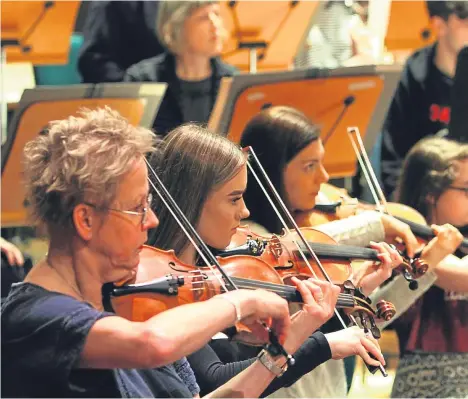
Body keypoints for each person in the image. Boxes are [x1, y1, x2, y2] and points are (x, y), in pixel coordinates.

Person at [1, 107, 350, 398]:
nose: (151, 220)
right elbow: (152, 344)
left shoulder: (122, 309)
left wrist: (287, 343)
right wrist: (243, 301)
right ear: (86, 219)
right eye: (137, 208)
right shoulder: (36, 318)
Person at [148, 123, 391, 397]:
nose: (245, 210)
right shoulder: (163, 286)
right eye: (234, 198)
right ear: (194, 199)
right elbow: (214, 378)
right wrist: (322, 345)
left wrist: (345, 305)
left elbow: (260, 361)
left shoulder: (218, 269)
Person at [238, 105, 462, 398]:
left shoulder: (317, 235)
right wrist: (376, 222)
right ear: (272, 171)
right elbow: (282, 247)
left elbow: (369, 321)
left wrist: (427, 263)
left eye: (322, 163)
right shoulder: (250, 241)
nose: (324, 177)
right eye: (309, 166)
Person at [389, 136, 468, 398]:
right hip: (427, 380)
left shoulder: (459, 244)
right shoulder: (410, 245)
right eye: (466, 190)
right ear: (431, 193)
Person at [380, 1, 468, 199]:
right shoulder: (413, 76)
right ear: (439, 25)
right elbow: (394, 157)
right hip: (425, 196)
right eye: (465, 18)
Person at [123, 1, 237, 136]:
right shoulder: (142, 79)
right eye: (204, 17)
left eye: (217, 14)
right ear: (177, 27)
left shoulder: (233, 80)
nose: (215, 25)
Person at [78, 1, 164, 83]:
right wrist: (129, 83)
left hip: (169, 90)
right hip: (127, 90)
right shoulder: (109, 4)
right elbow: (93, 60)